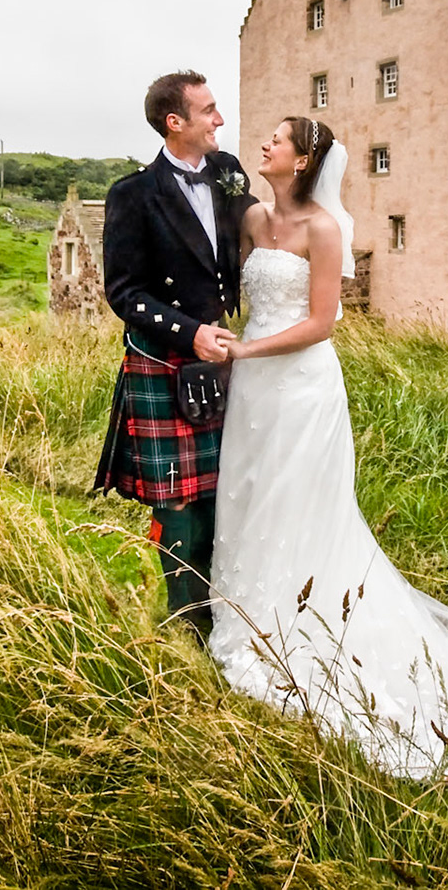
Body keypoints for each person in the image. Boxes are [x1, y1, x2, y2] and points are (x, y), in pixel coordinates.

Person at [208, 117, 448, 781]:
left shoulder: (323, 229)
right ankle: (246, 613)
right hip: (251, 391)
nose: (266, 145)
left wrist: (246, 350)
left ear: (303, 160)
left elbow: (319, 323)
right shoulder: (252, 219)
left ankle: (305, 628)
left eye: (279, 139)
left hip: (301, 387)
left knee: (300, 505)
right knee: (249, 493)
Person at [95, 71, 255, 639]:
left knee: (223, 486)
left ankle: (227, 604)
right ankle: (189, 621)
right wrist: (189, 334)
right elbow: (124, 292)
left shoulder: (228, 171)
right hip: (167, 357)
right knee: (179, 500)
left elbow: (259, 227)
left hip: (220, 354)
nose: (220, 120)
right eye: (208, 110)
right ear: (174, 122)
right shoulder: (133, 195)